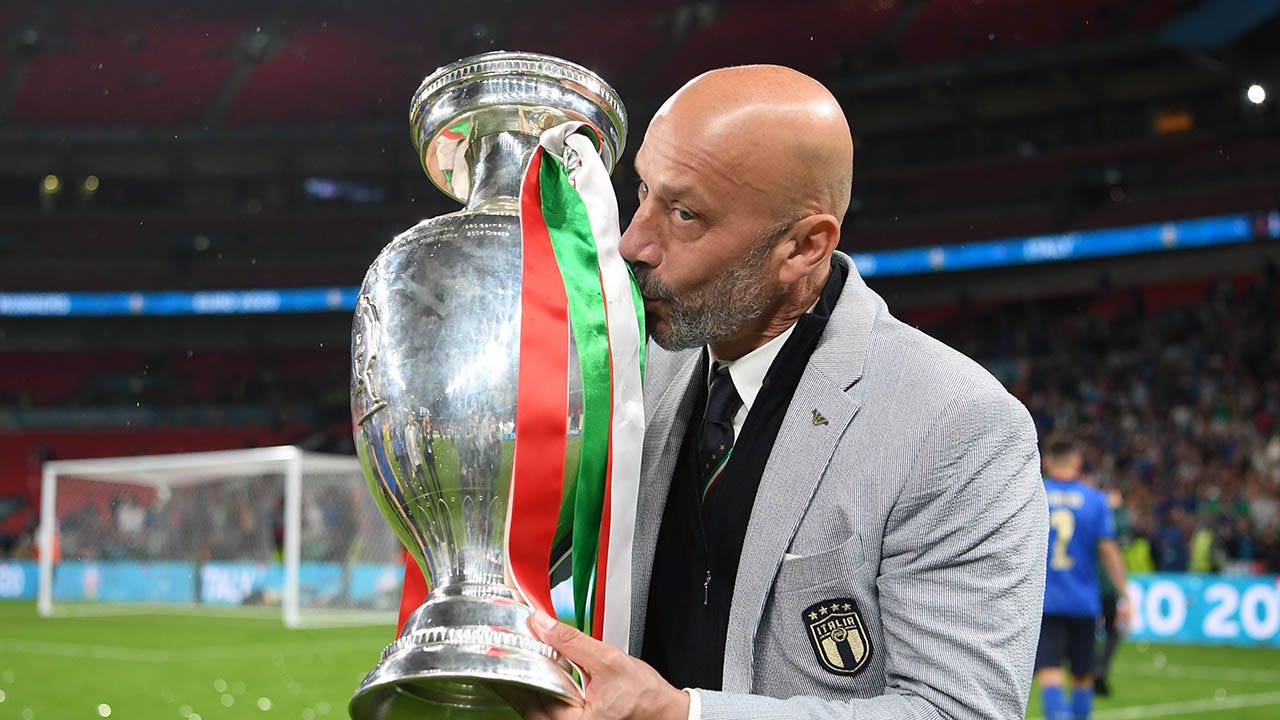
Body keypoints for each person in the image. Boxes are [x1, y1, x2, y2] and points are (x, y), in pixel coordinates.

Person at [514, 64, 1047, 720]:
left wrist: (685, 715)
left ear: (803, 246)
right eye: (644, 191)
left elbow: (960, 712)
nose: (633, 243)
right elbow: (523, 548)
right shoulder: (635, 369)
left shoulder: (957, 424)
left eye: (684, 214)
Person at [1035, 433, 1129, 720]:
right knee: (1083, 675)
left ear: (1046, 462)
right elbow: (1109, 551)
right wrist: (1124, 594)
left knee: (1050, 673)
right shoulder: (1095, 500)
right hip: (1083, 602)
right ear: (1077, 462)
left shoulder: (1035, 494)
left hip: (1044, 601)